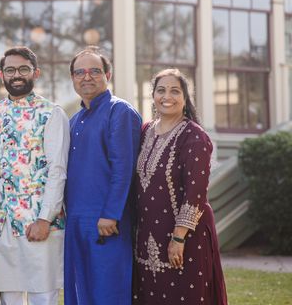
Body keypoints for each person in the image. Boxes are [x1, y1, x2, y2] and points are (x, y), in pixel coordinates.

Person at [133, 68, 227, 304]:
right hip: (147, 237)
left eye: (175, 91)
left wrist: (178, 238)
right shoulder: (145, 132)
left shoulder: (194, 137)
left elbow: (196, 194)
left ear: (185, 99)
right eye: (161, 90)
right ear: (153, 95)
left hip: (186, 238)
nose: (167, 96)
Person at [0, 46, 69, 305]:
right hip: (3, 224)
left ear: (36, 73)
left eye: (23, 69)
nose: (17, 75)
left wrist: (45, 218)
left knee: (42, 297)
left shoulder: (51, 113)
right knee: (8, 299)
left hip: (39, 221)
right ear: (2, 75)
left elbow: (58, 170)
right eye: (10, 70)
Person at [64, 47, 141, 305]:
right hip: (75, 220)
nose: (87, 77)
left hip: (106, 221)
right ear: (73, 78)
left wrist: (111, 214)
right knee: (79, 291)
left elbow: (124, 168)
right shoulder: (74, 120)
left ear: (107, 74)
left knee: (108, 291)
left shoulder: (120, 112)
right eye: (80, 72)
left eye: (94, 71)